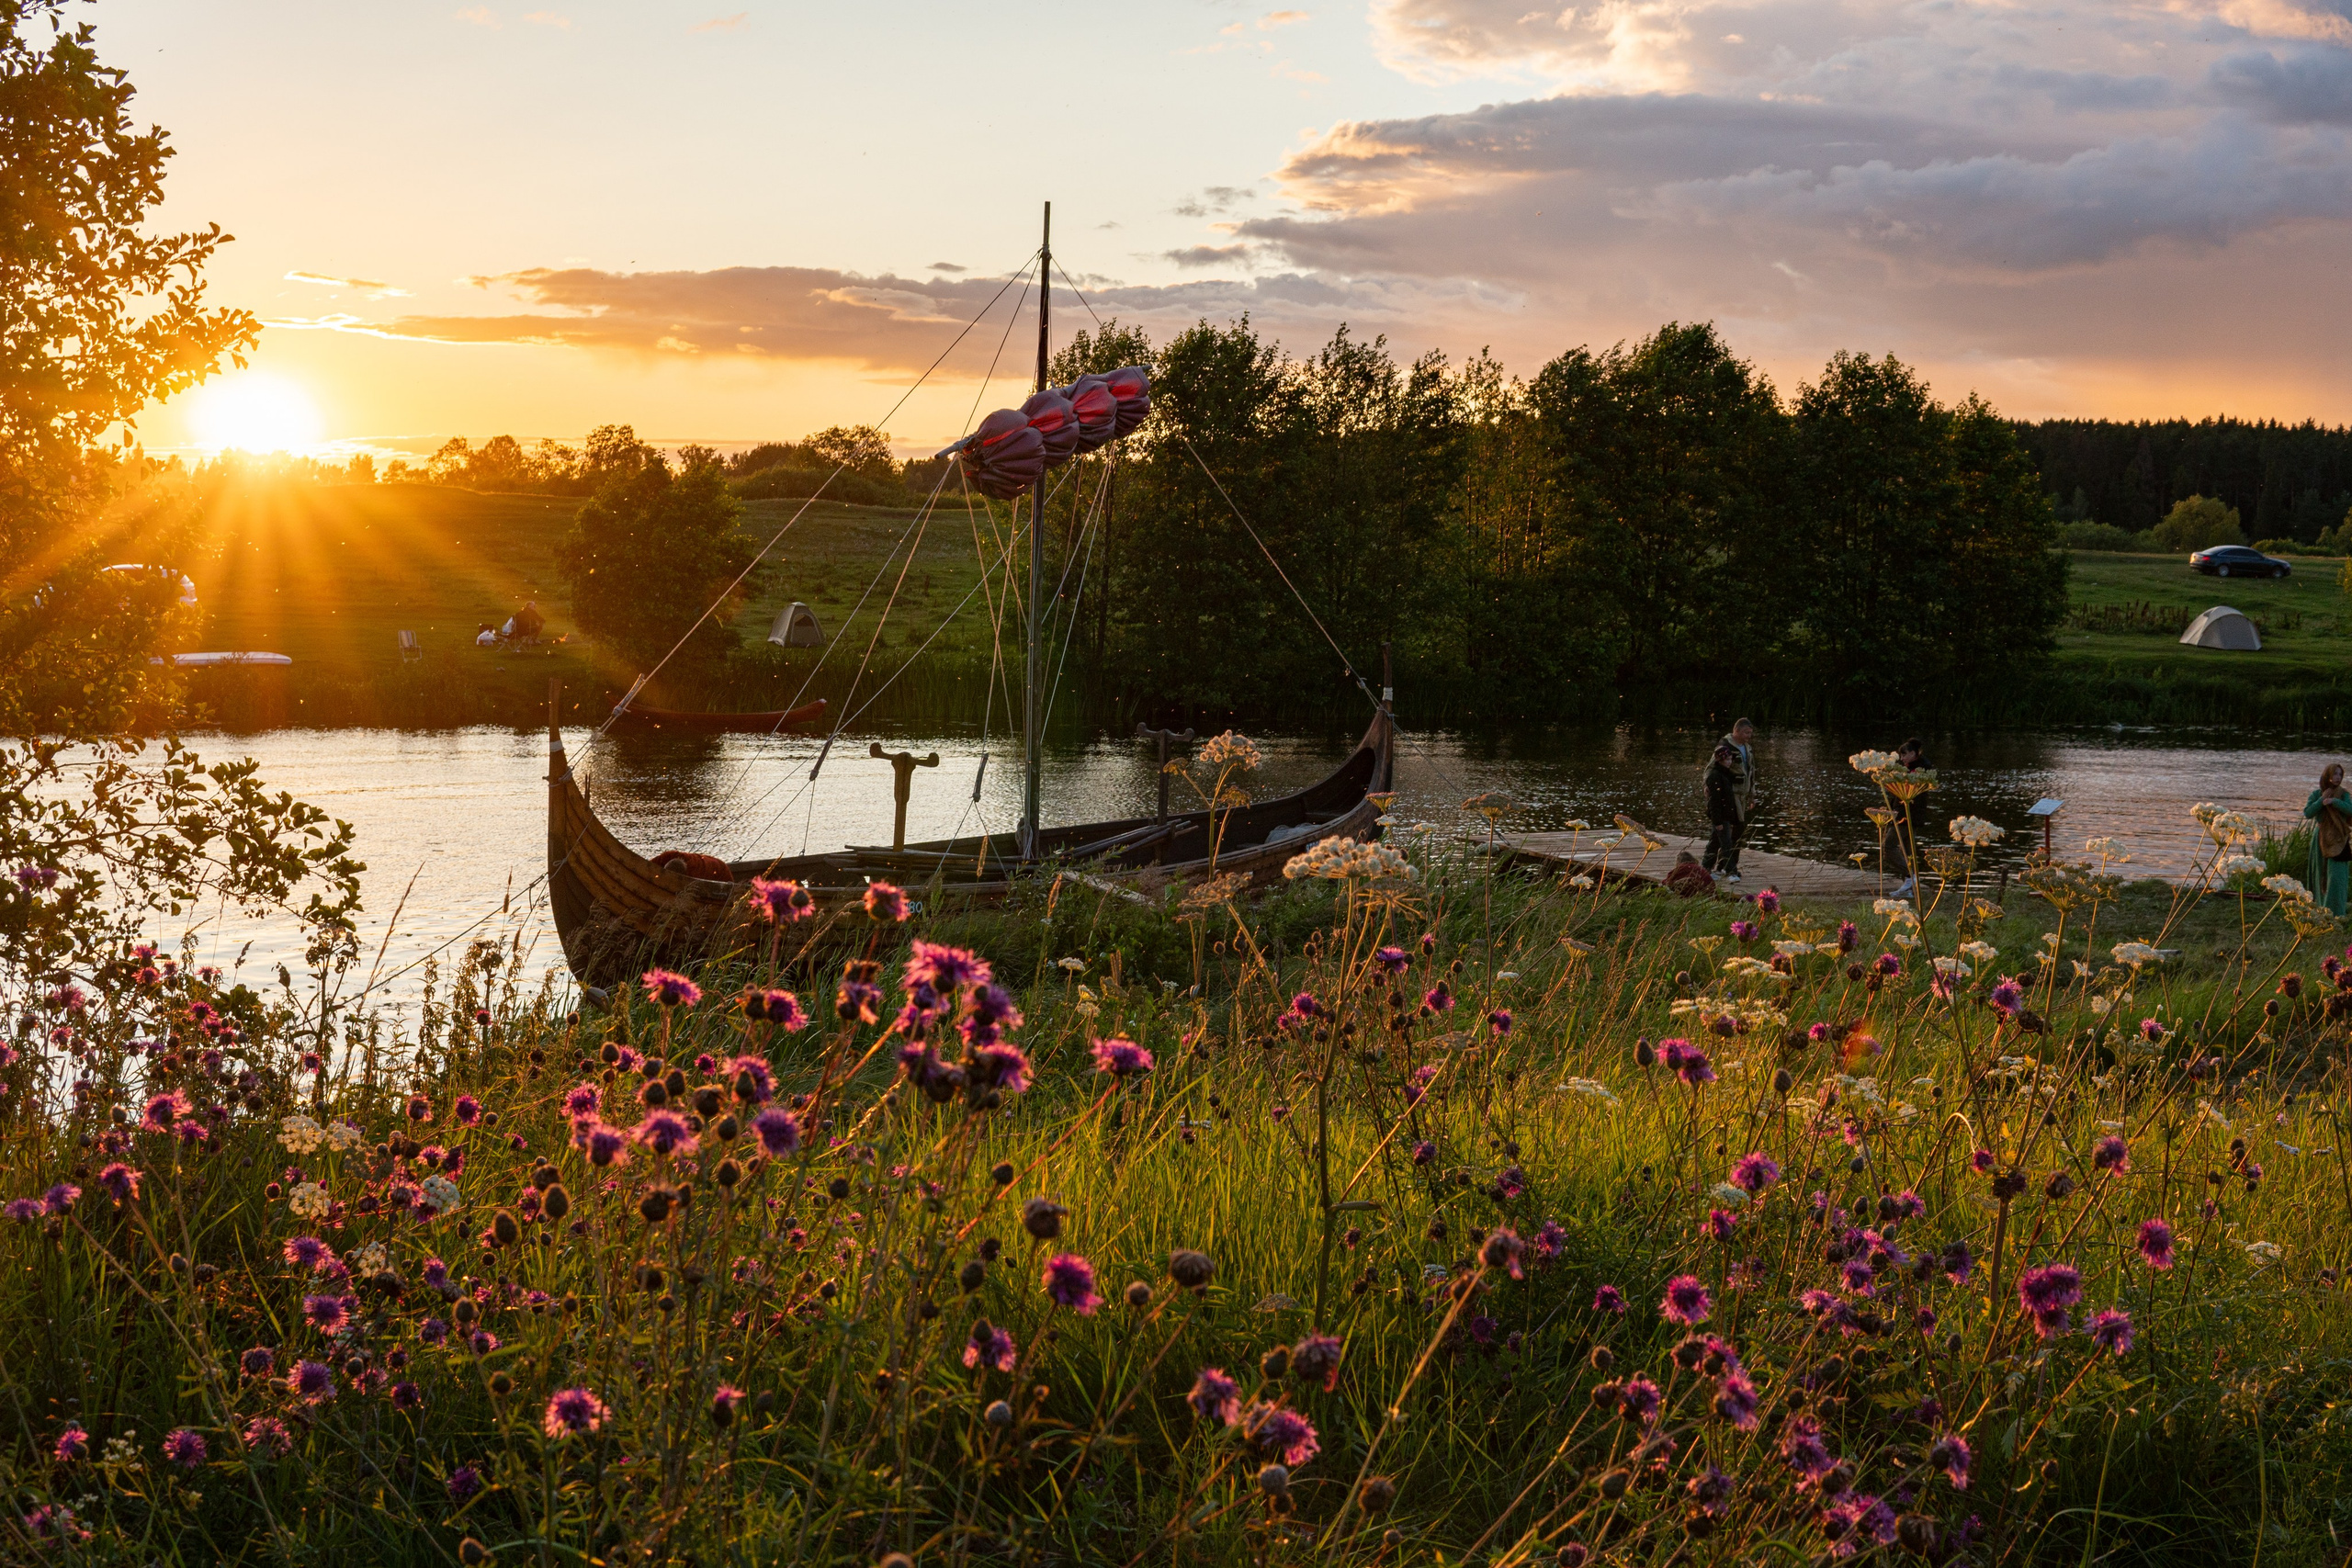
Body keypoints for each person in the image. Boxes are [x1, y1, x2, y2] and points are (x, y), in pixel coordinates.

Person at [1712, 718, 1758, 882]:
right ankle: (1726, 867)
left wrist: (1752, 795)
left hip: (1743, 795)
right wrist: (1708, 787)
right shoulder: (1725, 746)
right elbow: (1711, 768)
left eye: (1750, 733)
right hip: (1730, 795)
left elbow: (1751, 772)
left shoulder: (1747, 748)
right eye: (1746, 733)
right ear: (1736, 731)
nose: (1749, 736)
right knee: (1733, 829)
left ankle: (1726, 866)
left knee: (1735, 831)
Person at [1885, 735, 1929, 898]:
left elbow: (1911, 793)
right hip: (1904, 813)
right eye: (1901, 755)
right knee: (1908, 852)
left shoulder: (1920, 770)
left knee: (1888, 847)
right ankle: (1910, 891)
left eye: (1904, 755)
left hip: (1907, 815)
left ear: (1913, 754)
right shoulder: (1910, 769)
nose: (1902, 758)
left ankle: (1910, 877)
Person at [2305, 763, 2352, 916]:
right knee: (2320, 875)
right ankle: (2319, 910)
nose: (2338, 777)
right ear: (2327, 776)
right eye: (2335, 774)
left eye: (2340, 774)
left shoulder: (2343, 794)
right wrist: (2322, 800)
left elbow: (2350, 810)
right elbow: (2308, 813)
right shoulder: (2317, 794)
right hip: (2320, 839)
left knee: (2337, 877)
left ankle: (2336, 913)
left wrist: (2334, 802)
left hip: (2339, 839)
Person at [1702, 742, 1743, 880]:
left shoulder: (1726, 775)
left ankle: (1705, 869)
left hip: (1725, 815)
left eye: (1730, 759)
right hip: (1720, 817)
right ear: (1720, 760)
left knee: (1714, 843)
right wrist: (1717, 821)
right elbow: (1715, 802)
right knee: (1726, 845)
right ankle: (1732, 872)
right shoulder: (1715, 776)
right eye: (1727, 760)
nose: (1729, 762)